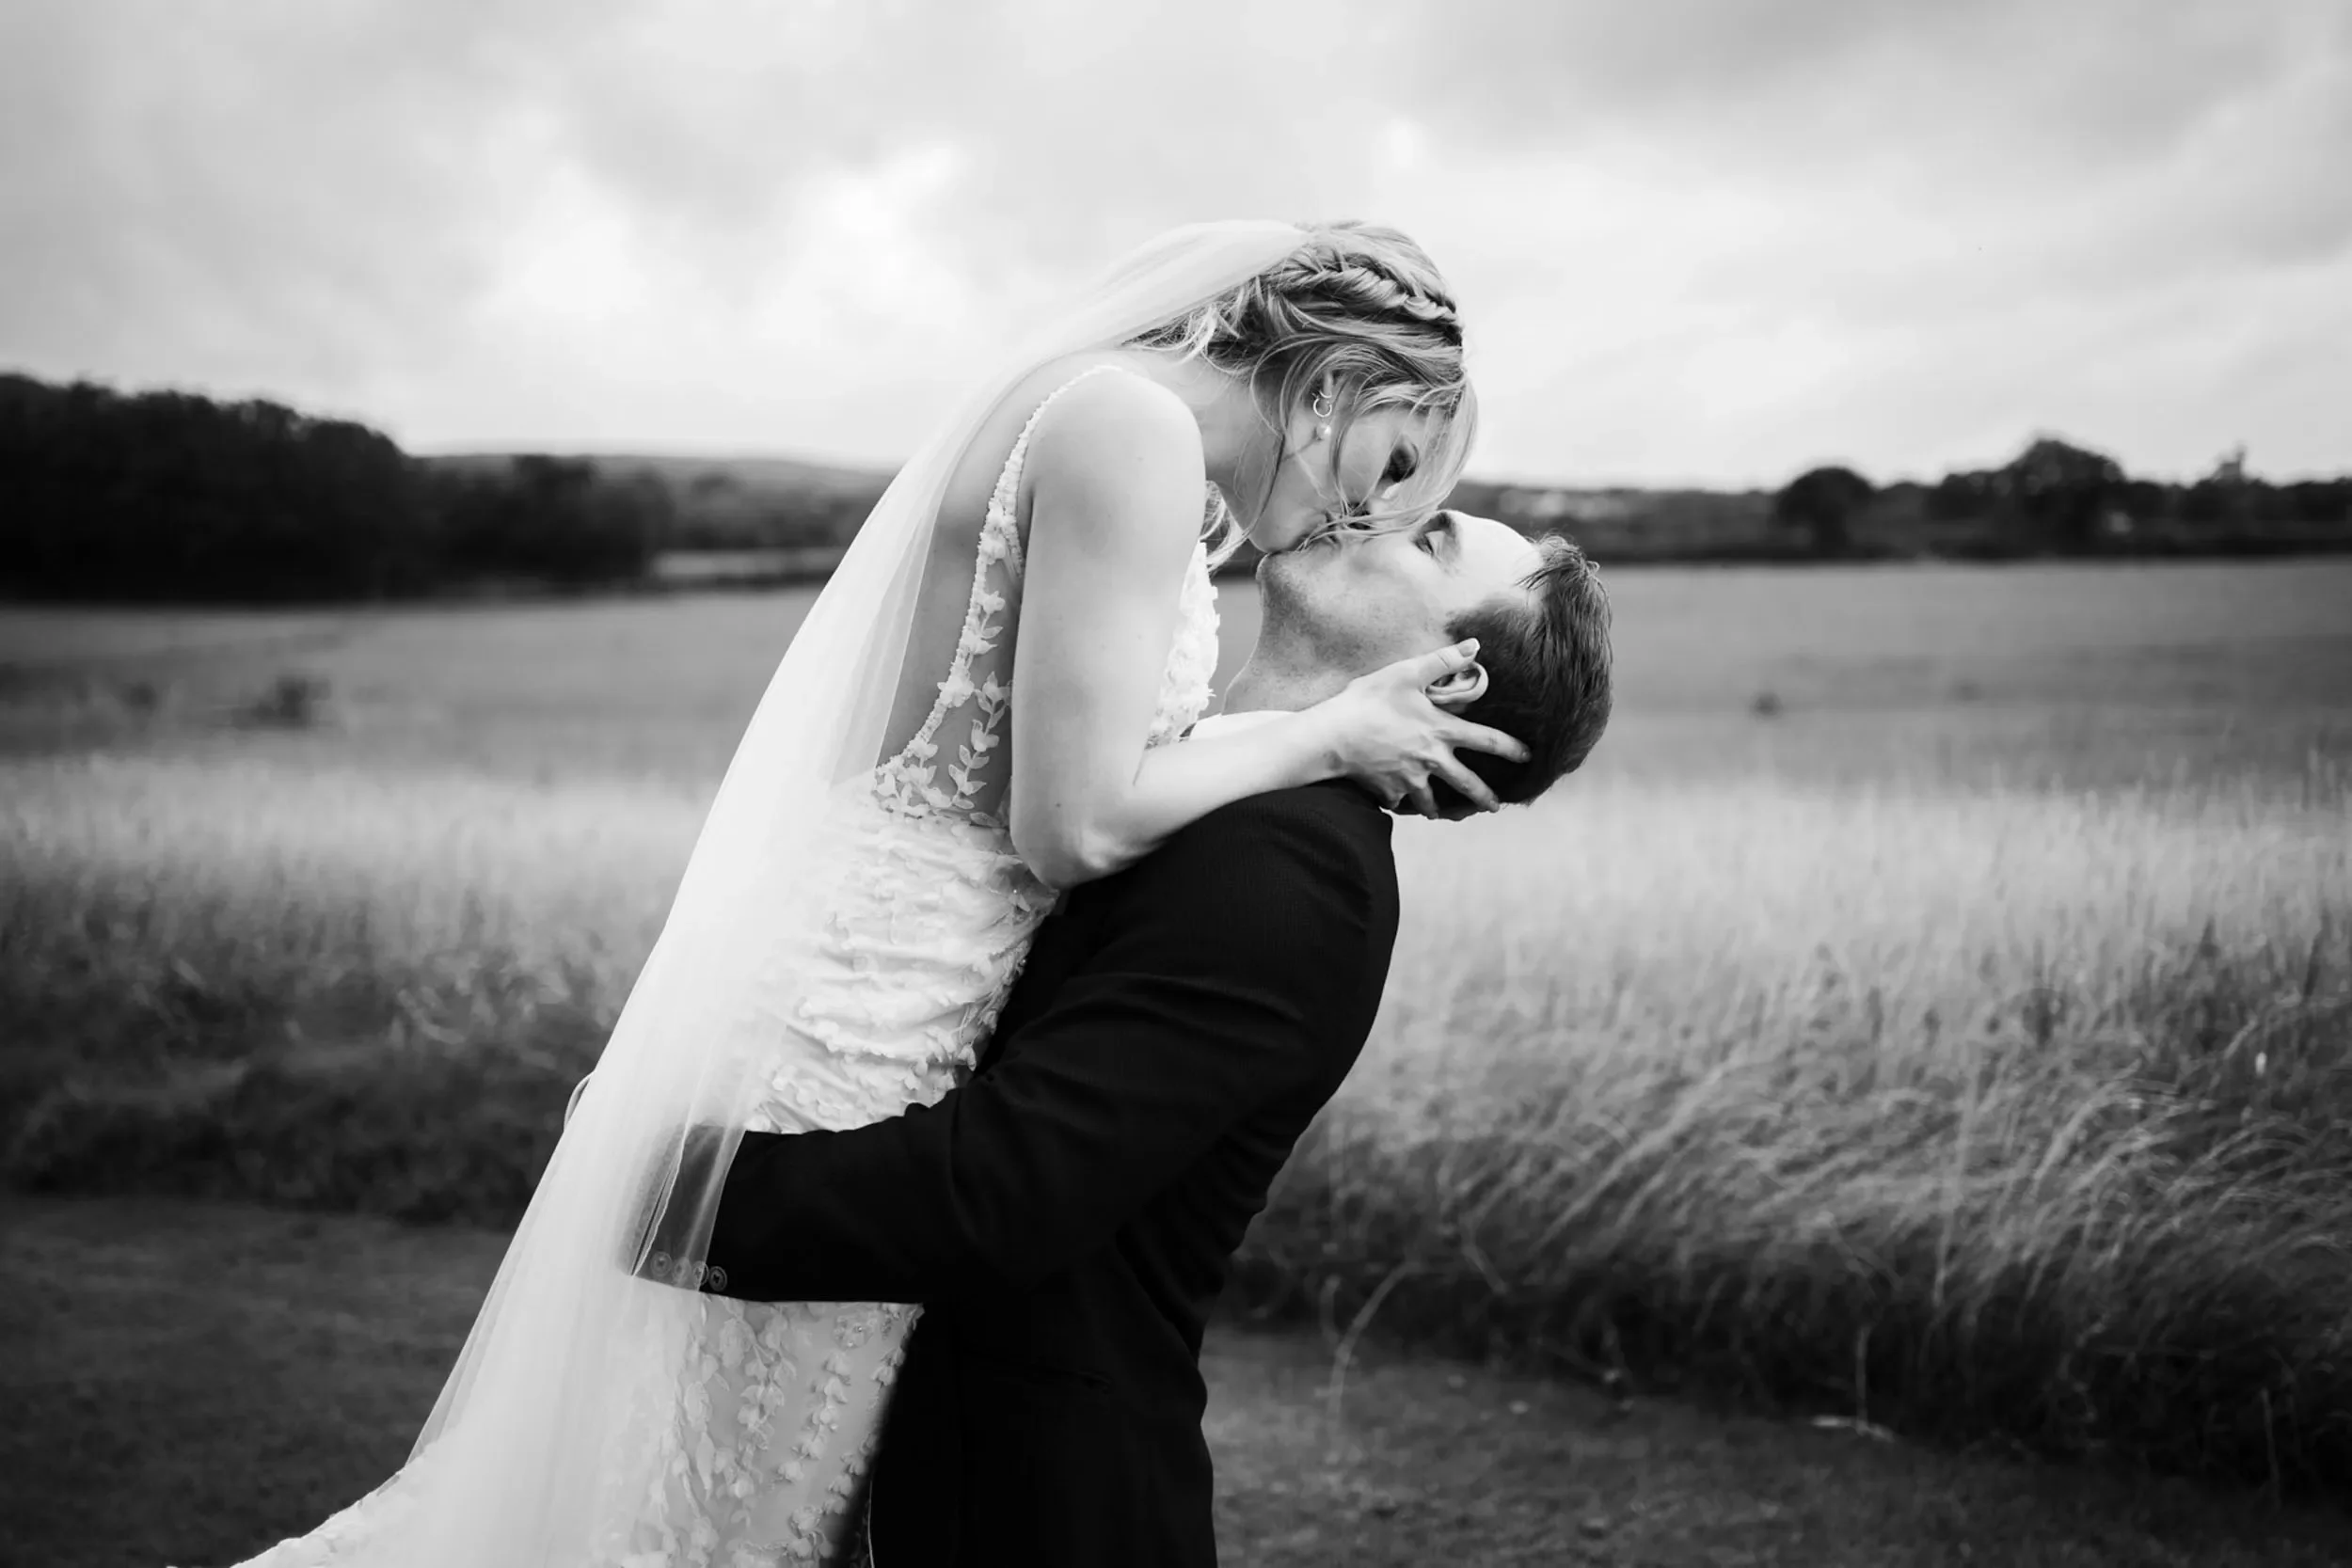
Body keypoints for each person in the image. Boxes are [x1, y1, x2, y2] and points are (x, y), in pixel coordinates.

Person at [206, 221, 1514, 1568]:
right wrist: (1321, 736)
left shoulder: (1115, 418)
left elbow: (1113, 761)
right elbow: (1071, 826)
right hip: (858, 1039)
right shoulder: (1132, 436)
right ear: (1354, 379)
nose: (1378, 506)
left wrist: (1325, 731)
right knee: (681, 1525)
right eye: (1403, 457)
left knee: (663, 1500)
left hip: (878, 1002)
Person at [691, 509, 1615, 1565]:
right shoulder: (1163, 786)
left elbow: (1003, 1186)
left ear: (1447, 678)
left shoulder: (1293, 873)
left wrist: (655, 1194)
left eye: (1430, 538)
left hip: (1019, 1507)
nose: (1376, 510)